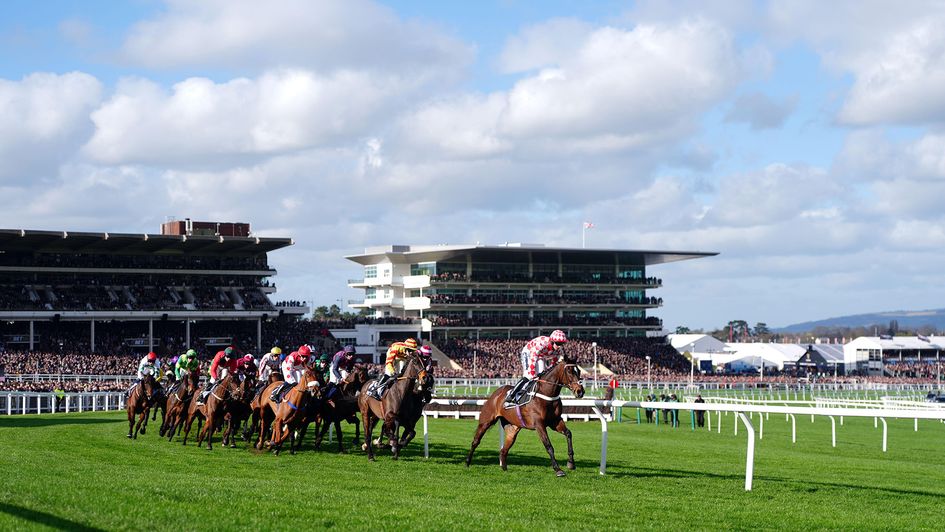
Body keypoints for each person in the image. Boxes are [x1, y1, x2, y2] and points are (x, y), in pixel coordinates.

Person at [505, 330, 568, 406]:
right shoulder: (543, 343)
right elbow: (533, 357)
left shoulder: (558, 350)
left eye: (562, 344)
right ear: (552, 341)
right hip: (529, 352)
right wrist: (532, 372)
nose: (560, 346)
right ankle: (511, 395)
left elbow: (553, 363)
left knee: (541, 376)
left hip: (540, 355)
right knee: (529, 376)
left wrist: (548, 370)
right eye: (558, 343)